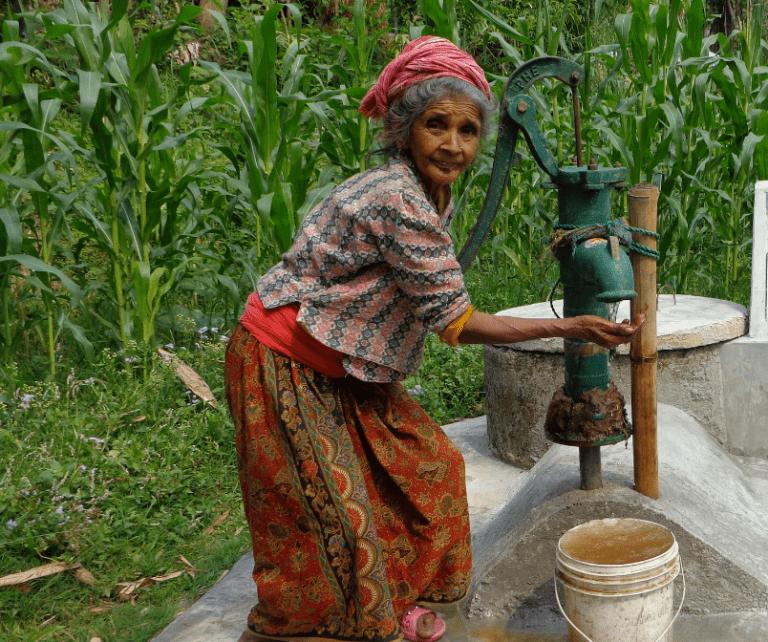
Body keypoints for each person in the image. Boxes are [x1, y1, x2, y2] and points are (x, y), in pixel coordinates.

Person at [224, 36, 643, 642]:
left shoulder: (429, 192)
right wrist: (569, 325)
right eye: (435, 125)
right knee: (326, 514)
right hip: (283, 359)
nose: (453, 145)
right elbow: (456, 322)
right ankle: (301, 631)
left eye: (468, 130)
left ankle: (385, 603)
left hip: (341, 364)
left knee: (429, 469)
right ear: (403, 130)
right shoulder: (397, 199)